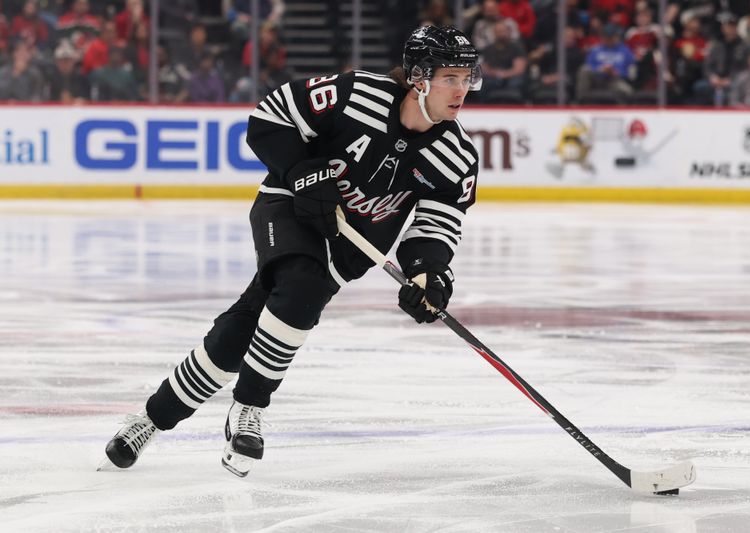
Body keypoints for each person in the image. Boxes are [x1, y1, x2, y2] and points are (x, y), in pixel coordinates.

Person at [101, 25, 482, 478]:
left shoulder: (457, 157)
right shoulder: (355, 94)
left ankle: (150, 420)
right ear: (420, 77)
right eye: (451, 78)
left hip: (351, 247)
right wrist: (303, 170)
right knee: (299, 287)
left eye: (467, 78)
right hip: (289, 206)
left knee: (240, 331)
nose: (462, 90)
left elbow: (436, 226)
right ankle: (248, 407)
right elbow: (270, 117)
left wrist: (430, 273)